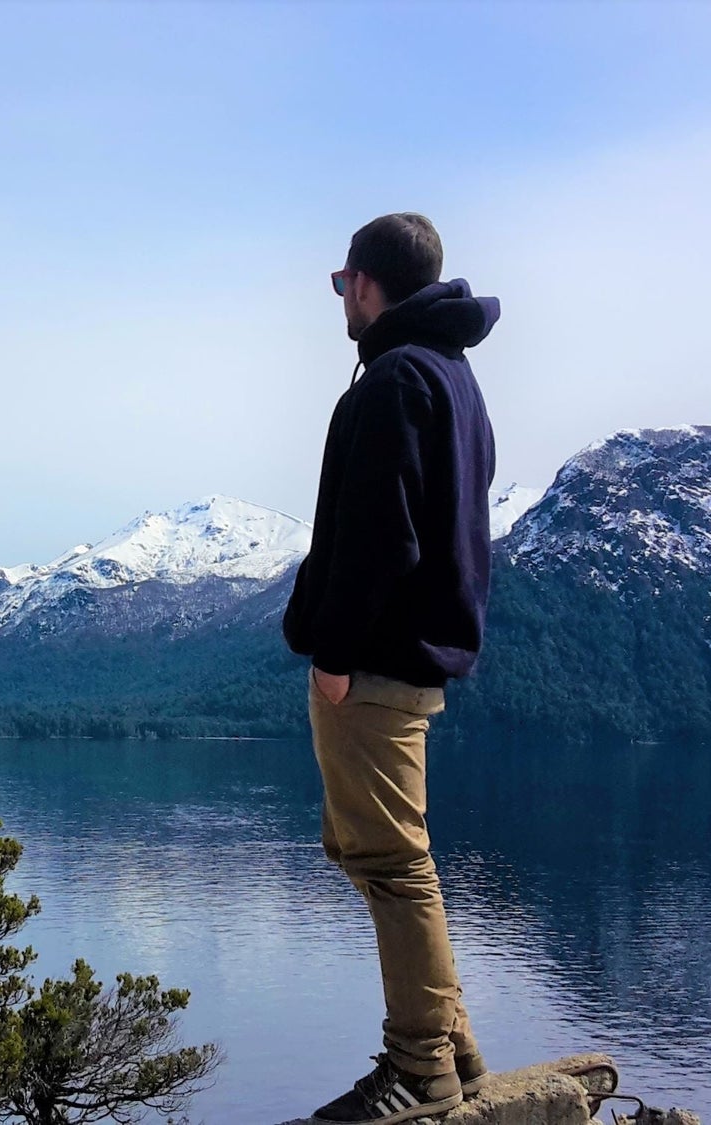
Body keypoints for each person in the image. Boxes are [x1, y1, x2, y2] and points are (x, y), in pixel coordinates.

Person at [281, 212, 500, 1125]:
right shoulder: (453, 377)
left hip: (371, 667)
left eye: (341, 284)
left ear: (366, 284)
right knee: (381, 853)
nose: (340, 299)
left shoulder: (393, 383)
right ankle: (452, 1045)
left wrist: (334, 656)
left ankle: (421, 1068)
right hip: (409, 663)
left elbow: (380, 540)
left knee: (393, 860)